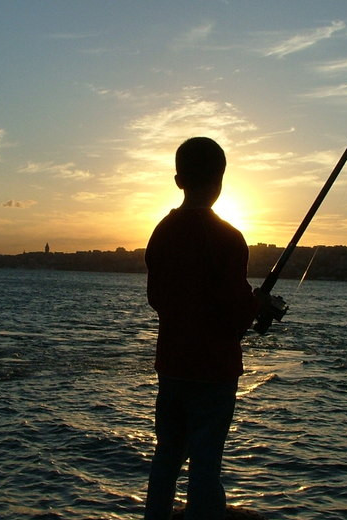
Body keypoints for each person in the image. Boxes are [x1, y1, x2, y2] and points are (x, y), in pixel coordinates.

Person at [144, 137, 260, 520]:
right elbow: (235, 311)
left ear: (179, 180)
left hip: (173, 367)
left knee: (167, 456)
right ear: (221, 181)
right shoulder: (230, 239)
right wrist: (256, 308)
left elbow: (157, 299)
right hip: (215, 372)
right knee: (206, 462)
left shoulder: (161, 233)